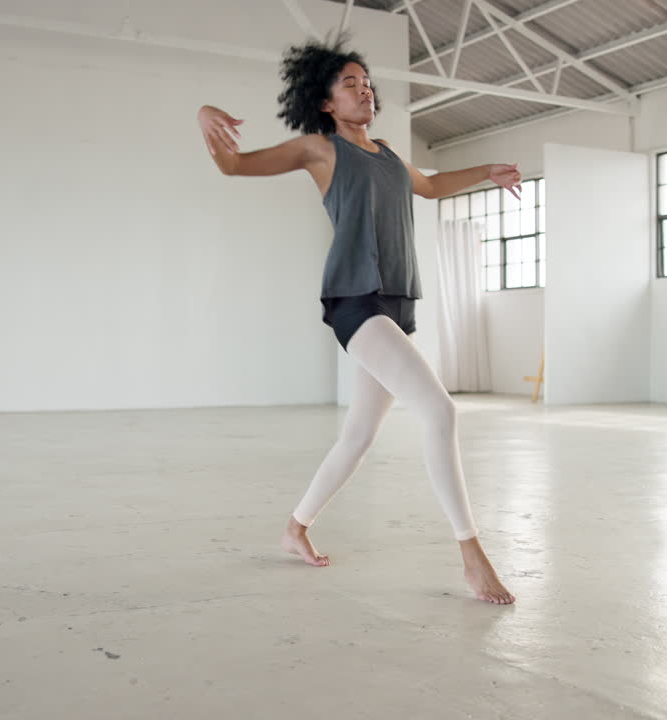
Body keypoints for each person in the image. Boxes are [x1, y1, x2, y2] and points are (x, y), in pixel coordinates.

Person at [196, 37, 520, 605]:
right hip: (355, 300)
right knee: (440, 410)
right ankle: (471, 555)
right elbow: (234, 166)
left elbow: (430, 186)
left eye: (367, 83)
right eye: (350, 84)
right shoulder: (320, 150)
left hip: (396, 303)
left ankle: (295, 528)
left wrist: (485, 170)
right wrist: (205, 116)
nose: (364, 90)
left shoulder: (389, 153)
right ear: (325, 102)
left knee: (358, 435)